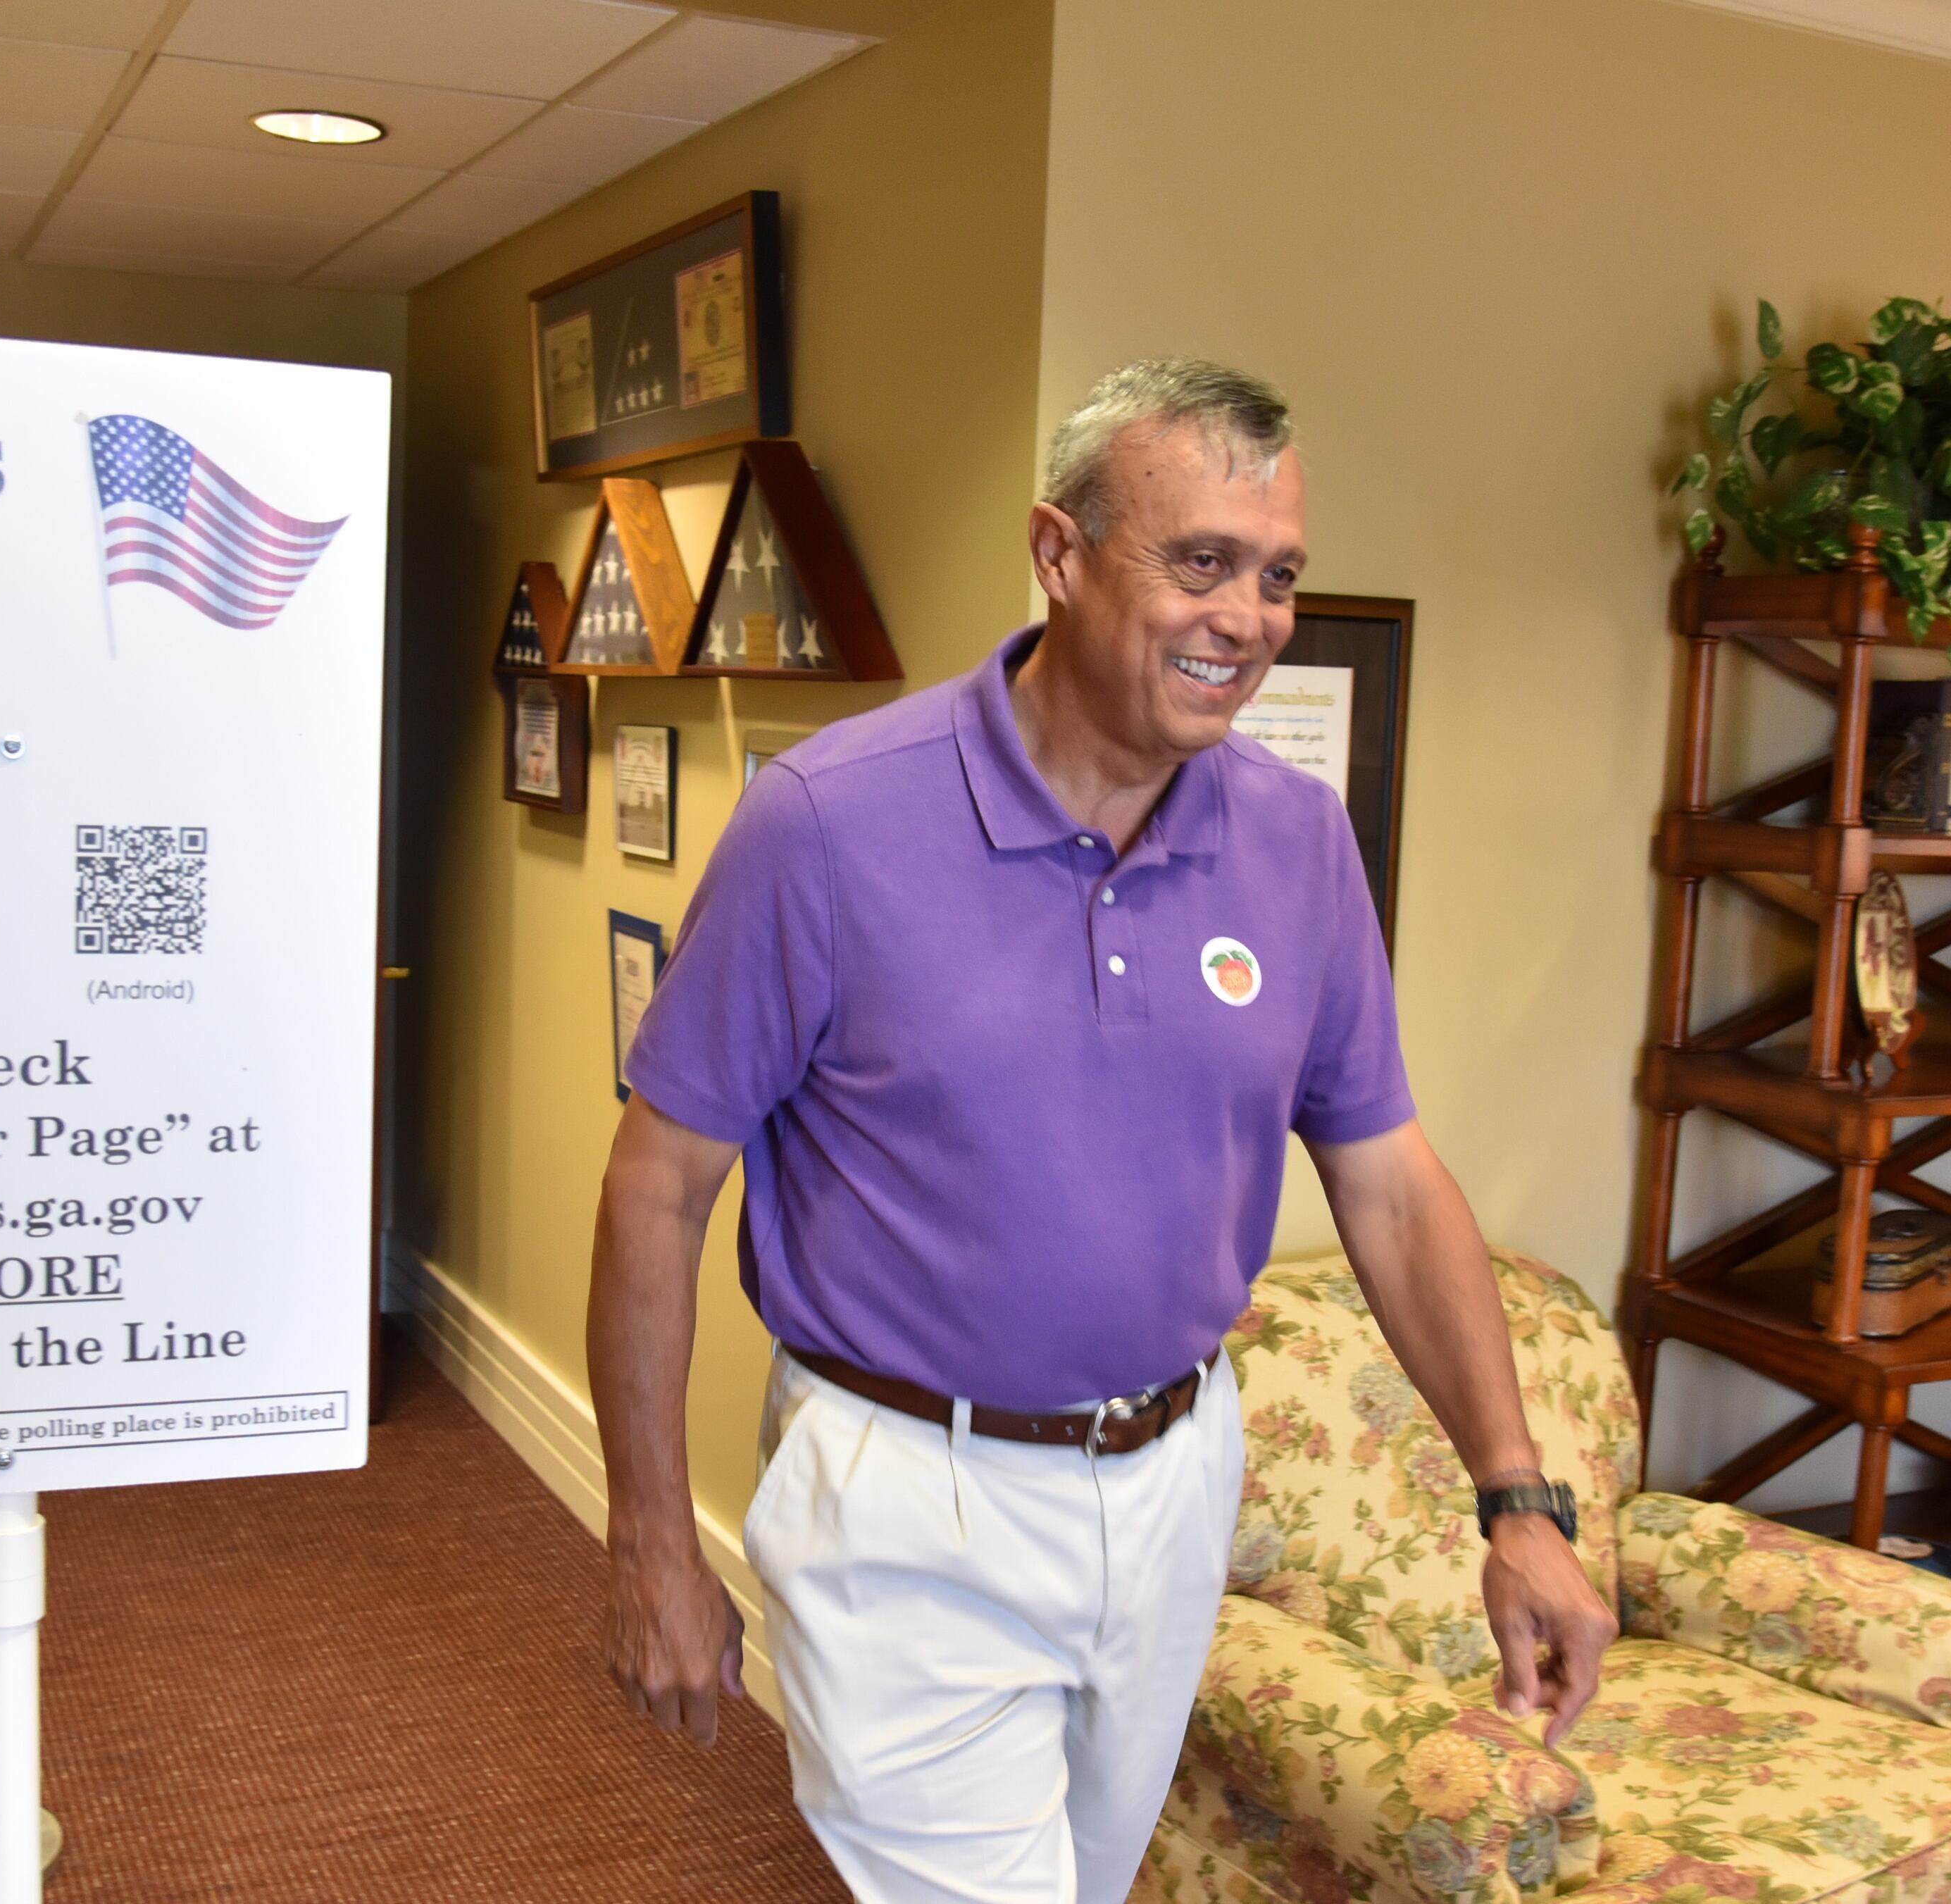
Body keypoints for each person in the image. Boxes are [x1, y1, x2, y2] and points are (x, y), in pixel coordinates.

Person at [585, 359, 1616, 1904]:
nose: (1249, 618)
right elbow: (658, 1189)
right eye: (1198, 561)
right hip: (906, 1487)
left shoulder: (1294, 838)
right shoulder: (829, 821)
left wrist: (1517, 1494)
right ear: (1057, 555)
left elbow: (1391, 1184)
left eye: (1276, 577)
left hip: (1177, 1472)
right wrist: (654, 1537)